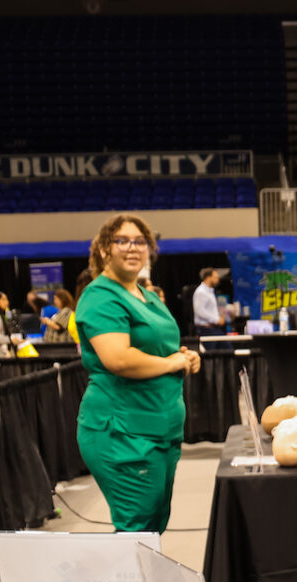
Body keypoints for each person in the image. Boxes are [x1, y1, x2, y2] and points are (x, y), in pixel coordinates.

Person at [74, 213, 200, 533]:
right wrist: (172, 364)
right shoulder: (100, 296)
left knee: (154, 524)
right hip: (123, 432)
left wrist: (183, 356)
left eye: (140, 242)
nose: (133, 248)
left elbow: (159, 348)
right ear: (104, 249)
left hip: (160, 429)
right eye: (122, 241)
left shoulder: (146, 294)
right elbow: (119, 359)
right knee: (136, 529)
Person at [0, 291, 22, 359]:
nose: (7, 302)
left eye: (7, 299)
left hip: (2, 354)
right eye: (3, 299)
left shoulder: (2, 315)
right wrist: (10, 340)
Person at [192, 267, 223, 333]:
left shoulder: (210, 291)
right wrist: (217, 320)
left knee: (227, 343)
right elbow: (200, 311)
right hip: (205, 329)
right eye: (215, 277)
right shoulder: (201, 292)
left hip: (213, 328)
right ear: (208, 278)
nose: (217, 280)